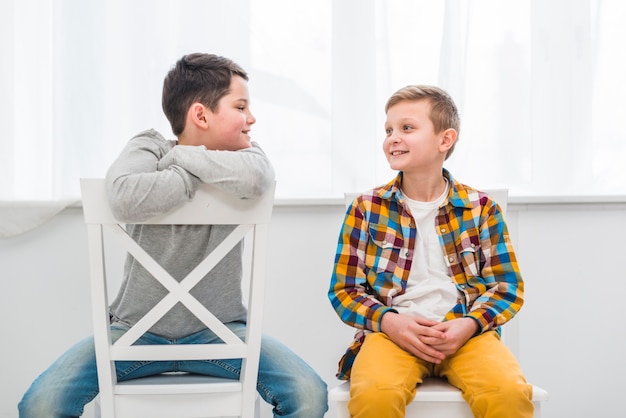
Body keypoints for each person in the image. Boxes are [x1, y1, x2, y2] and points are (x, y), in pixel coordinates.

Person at [19, 52, 328, 418]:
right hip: (134, 334)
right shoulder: (147, 146)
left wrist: (180, 160)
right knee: (41, 403)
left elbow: (258, 179)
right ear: (201, 114)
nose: (252, 118)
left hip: (222, 335)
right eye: (241, 106)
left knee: (309, 394)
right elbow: (124, 196)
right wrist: (194, 168)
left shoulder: (246, 155)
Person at [328, 85, 533, 417]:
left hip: (466, 334)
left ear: (444, 140)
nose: (393, 137)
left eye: (407, 128)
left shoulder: (481, 208)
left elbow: (507, 287)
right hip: (392, 335)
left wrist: (468, 325)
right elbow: (345, 290)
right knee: (374, 397)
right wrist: (390, 322)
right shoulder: (366, 208)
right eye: (389, 130)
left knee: (508, 394)